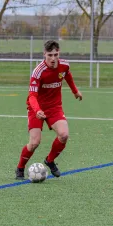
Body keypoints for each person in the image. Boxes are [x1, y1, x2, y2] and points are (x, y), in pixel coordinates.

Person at [15, 39, 83, 180]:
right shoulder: (38, 72)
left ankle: (50, 160)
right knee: (34, 142)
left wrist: (75, 91)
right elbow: (32, 95)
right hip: (36, 108)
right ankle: (20, 168)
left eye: (56, 55)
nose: (53, 58)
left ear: (59, 54)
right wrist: (37, 110)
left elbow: (67, 75)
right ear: (44, 54)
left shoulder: (64, 65)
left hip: (54, 107)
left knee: (64, 135)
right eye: (50, 55)